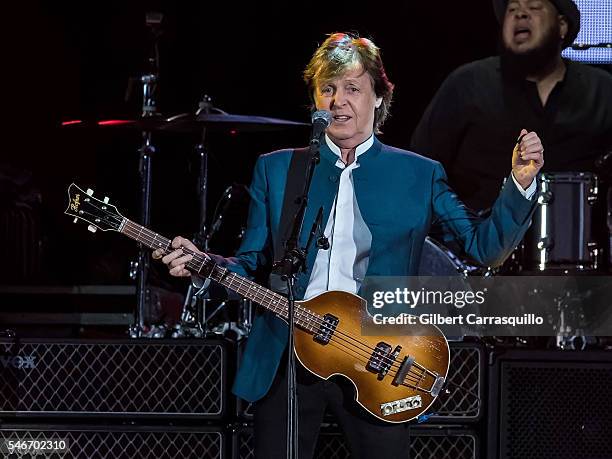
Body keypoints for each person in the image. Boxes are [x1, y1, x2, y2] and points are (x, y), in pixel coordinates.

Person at [153, 32, 543, 459]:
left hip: (378, 358)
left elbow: (483, 247)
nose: (338, 100)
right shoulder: (279, 169)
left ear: (379, 97)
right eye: (328, 88)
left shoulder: (419, 174)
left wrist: (520, 186)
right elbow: (253, 262)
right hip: (289, 351)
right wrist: (204, 263)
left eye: (353, 88)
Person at [411, 0, 612, 213]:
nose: (520, 14)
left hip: (576, 237)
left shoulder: (602, 89)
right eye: (512, 9)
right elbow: (419, 168)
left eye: (534, 7)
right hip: (479, 239)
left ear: (562, 25)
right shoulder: (468, 84)